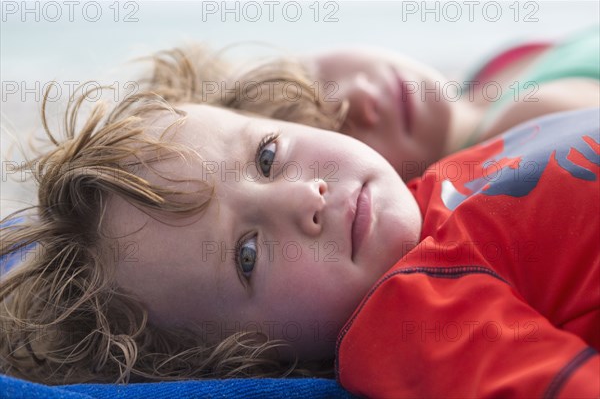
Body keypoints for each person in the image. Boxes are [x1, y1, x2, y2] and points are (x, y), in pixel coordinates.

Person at [0, 45, 598, 397]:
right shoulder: (411, 323)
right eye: (248, 255)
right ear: (251, 356)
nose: (303, 199)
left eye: (267, 156)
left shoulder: (441, 181)